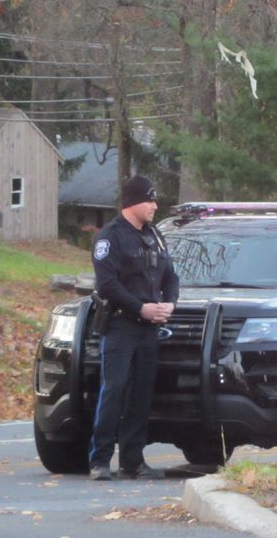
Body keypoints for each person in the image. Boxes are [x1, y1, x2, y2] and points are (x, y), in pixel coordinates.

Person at [88, 175, 179, 480]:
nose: (155, 206)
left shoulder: (154, 235)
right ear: (133, 202)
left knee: (141, 395)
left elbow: (170, 276)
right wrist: (139, 307)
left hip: (149, 329)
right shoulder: (110, 237)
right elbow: (107, 284)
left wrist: (170, 304)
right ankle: (100, 460)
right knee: (113, 390)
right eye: (150, 200)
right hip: (121, 325)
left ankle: (132, 460)